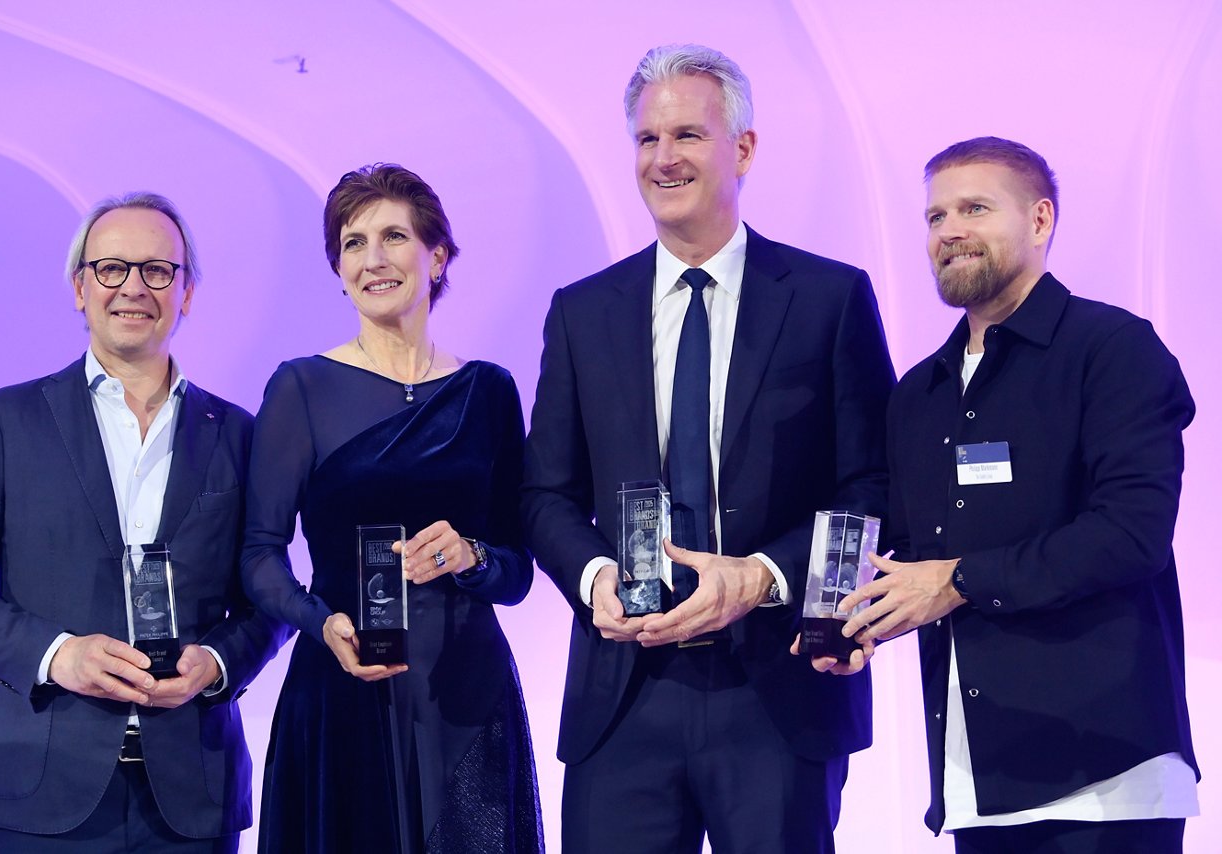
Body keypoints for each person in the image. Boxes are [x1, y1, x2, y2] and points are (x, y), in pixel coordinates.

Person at [522, 44, 895, 853]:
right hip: (625, 693)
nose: (664, 158)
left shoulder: (829, 299)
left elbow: (874, 486)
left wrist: (761, 577)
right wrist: (595, 579)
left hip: (777, 688)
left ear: (744, 148)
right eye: (647, 139)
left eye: (687, 134)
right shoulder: (582, 312)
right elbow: (545, 495)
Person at [820, 137, 1200, 852]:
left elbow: (1131, 534)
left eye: (975, 208)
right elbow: (912, 553)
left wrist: (960, 580)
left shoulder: (1114, 348)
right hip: (977, 780)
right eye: (935, 217)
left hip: (1106, 774)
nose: (949, 231)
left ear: (1040, 219)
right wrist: (858, 620)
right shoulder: (919, 393)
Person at [0, 193, 288, 852]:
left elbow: (271, 596)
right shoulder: (7, 421)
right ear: (80, 288)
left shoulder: (240, 434)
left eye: (157, 270)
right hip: (40, 790)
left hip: (193, 795)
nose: (134, 287)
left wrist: (217, 662)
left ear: (186, 293)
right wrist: (58, 655)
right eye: (112, 268)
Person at [241, 163, 544, 853]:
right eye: (353, 243)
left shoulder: (488, 391)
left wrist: (472, 556)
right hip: (344, 686)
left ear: (437, 257)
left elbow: (518, 572)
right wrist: (320, 624)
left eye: (394, 237)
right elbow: (259, 554)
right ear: (339, 269)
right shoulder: (301, 387)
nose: (373, 259)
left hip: (467, 698)